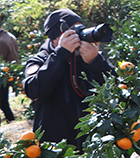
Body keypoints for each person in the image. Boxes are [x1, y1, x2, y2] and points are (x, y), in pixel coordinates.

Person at [23, 9, 114, 148]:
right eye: (72, 33)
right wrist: (60, 55)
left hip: (91, 144)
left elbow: (118, 88)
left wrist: (96, 62)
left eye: (80, 30)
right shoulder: (40, 60)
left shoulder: (89, 57)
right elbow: (34, 90)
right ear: (55, 39)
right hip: (55, 146)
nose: (78, 37)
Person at [0, 24, 18, 123]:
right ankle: (10, 120)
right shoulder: (10, 36)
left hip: (3, 76)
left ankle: (10, 120)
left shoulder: (1, 41)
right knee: (3, 101)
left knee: (2, 102)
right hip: (9, 74)